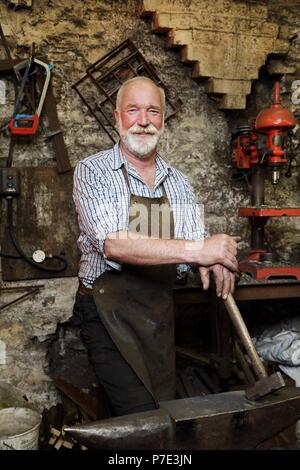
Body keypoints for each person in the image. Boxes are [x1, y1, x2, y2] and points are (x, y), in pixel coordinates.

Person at [72, 76, 240, 417]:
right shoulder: (93, 171)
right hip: (106, 312)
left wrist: (215, 260)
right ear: (117, 118)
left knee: (162, 406)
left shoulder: (179, 182)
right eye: (133, 110)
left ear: (163, 120)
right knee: (141, 414)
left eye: (153, 111)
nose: (144, 120)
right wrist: (198, 251)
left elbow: (197, 242)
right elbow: (114, 243)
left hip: (157, 312)